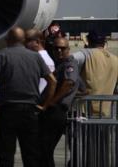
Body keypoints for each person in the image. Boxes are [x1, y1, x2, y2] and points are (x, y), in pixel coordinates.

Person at [0, 26, 56, 167]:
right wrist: (45, 105)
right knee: (31, 154)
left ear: (7, 40)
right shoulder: (36, 57)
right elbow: (52, 81)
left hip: (8, 110)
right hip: (30, 110)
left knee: (6, 154)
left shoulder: (2, 55)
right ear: (23, 40)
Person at [39, 37, 80, 167]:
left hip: (56, 111)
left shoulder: (69, 64)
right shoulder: (60, 64)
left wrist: (53, 100)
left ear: (68, 49)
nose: (58, 50)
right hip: (52, 111)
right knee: (44, 149)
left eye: (62, 48)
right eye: (55, 48)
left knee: (45, 149)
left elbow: (69, 82)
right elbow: (83, 88)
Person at [71, 30, 118, 116]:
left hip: (83, 111)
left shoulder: (85, 54)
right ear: (104, 42)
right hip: (105, 112)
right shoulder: (115, 59)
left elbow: (68, 60)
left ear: (88, 41)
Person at [25, 29, 55, 94]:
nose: (24, 44)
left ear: (37, 42)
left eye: (27, 40)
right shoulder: (45, 57)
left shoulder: (39, 58)